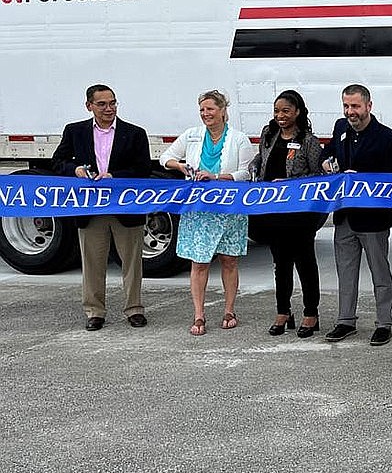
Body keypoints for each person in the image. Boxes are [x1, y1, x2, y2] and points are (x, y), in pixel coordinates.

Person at [52, 84, 151, 331]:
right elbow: (57, 162)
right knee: (92, 263)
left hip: (125, 208)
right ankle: (95, 312)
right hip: (91, 208)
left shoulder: (135, 133)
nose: (109, 108)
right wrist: (75, 170)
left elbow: (143, 170)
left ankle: (134, 309)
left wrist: (114, 176)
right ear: (89, 106)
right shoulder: (75, 131)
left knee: (132, 263)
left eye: (113, 103)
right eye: (102, 104)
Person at [160, 90, 256, 336]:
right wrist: (180, 166)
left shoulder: (239, 139)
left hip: (229, 210)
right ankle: (199, 314)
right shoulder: (192, 135)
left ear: (223, 110)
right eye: (202, 110)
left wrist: (216, 177)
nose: (205, 114)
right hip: (199, 210)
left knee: (229, 260)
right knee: (199, 262)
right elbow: (165, 157)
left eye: (210, 109)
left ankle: (229, 310)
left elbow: (246, 173)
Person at [319, 84, 392, 346]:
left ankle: (384, 323)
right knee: (345, 272)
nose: (350, 111)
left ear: (369, 106)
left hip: (373, 219)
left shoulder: (388, 138)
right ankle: (345, 320)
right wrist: (326, 162)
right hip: (344, 216)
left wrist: (363, 178)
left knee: (380, 272)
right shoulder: (340, 127)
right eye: (346, 106)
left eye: (355, 106)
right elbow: (329, 152)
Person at [248, 90, 325, 338]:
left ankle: (311, 313)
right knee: (280, 264)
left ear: (297, 112)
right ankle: (283, 311)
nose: (280, 116)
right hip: (273, 210)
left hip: (299, 213)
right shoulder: (269, 134)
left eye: (286, 111)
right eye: (276, 111)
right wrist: (254, 167)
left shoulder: (309, 141)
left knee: (305, 263)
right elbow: (262, 158)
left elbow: (318, 175)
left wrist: (290, 184)